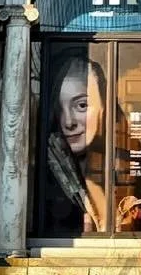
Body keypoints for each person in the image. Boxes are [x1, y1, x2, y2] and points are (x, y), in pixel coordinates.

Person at [43, 55, 108, 235]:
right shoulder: (43, 169)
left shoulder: (127, 165)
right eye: (59, 108)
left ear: (104, 105)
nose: (69, 122)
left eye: (81, 105)